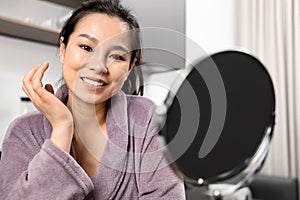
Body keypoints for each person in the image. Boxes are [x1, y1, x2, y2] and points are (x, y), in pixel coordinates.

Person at [0, 0, 185, 199]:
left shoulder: (147, 118)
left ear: (130, 67)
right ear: (63, 49)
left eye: (117, 56)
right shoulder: (24, 131)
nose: (99, 66)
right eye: (86, 47)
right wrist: (62, 128)